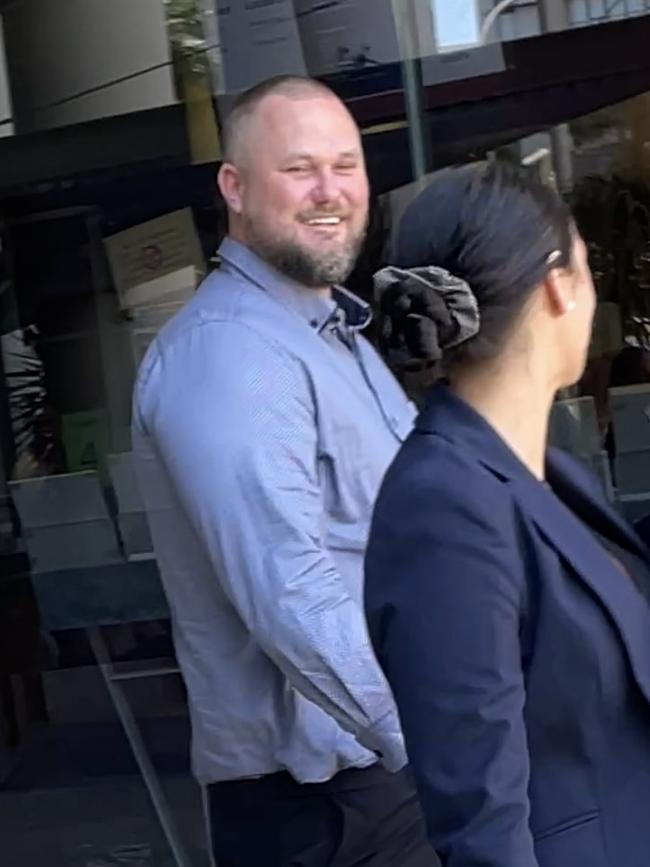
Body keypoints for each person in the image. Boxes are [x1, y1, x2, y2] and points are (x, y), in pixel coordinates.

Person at [133, 75, 437, 867]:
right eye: (299, 168)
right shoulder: (228, 351)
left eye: (346, 165)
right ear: (233, 187)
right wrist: (447, 737)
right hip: (326, 813)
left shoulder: (337, 338)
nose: (330, 191)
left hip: (383, 781)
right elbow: (290, 588)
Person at [365, 160, 650, 867]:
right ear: (559, 285)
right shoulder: (441, 505)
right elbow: (481, 815)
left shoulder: (538, 470)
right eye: (588, 266)